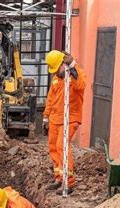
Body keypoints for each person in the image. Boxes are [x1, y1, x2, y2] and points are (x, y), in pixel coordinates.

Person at [43, 50, 86, 194]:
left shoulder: (75, 74)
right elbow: (50, 98)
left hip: (70, 118)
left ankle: (69, 181)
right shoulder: (56, 78)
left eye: (58, 68)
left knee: (62, 146)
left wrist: (73, 67)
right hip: (55, 118)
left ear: (64, 63)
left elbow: (80, 86)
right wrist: (46, 116)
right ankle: (59, 177)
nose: (56, 72)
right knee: (53, 147)